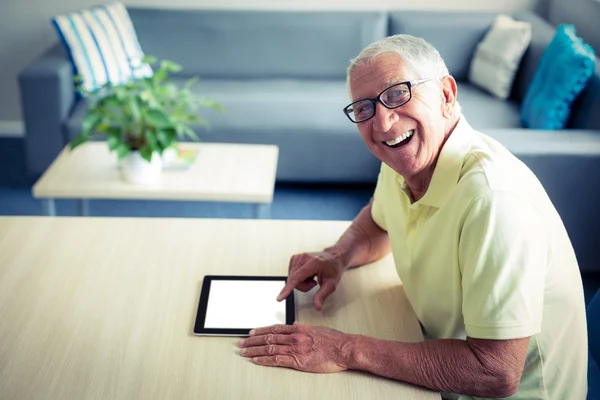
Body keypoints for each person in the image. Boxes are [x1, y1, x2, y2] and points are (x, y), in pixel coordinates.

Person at [237, 34, 588, 399]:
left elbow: (495, 372)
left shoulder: (493, 200)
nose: (383, 124)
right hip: (435, 352)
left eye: (396, 94)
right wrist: (336, 257)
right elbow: (376, 225)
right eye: (364, 109)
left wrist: (344, 349)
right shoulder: (406, 159)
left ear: (447, 96)